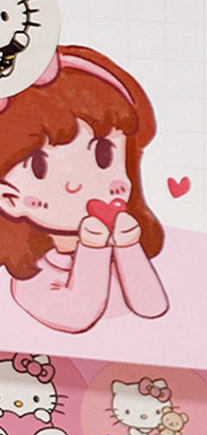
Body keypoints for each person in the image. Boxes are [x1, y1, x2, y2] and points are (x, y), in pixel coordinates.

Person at [0, 45, 167, 332]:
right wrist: (92, 248)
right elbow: (77, 316)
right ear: (9, 199)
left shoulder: (119, 244)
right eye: (40, 168)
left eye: (104, 154)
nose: (75, 183)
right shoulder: (33, 274)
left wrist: (128, 247)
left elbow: (152, 307)